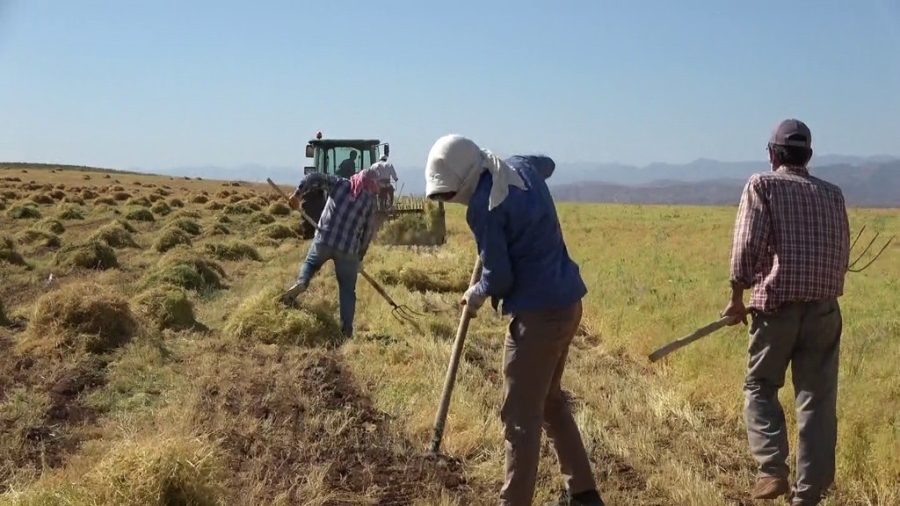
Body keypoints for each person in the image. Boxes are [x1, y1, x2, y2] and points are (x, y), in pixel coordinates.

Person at [424, 134, 604, 506]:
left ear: (464, 178)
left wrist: (475, 294)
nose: (449, 200)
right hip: (568, 303)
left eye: (447, 193)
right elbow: (548, 163)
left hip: (537, 318)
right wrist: (514, 167)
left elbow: (500, 277)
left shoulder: (484, 207)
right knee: (551, 402)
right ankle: (583, 493)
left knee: (520, 418)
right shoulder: (520, 167)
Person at [721, 119, 850, 506]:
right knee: (816, 400)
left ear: (772, 154)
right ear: (808, 155)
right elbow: (842, 252)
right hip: (825, 311)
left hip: (776, 310)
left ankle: (772, 469)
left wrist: (736, 295)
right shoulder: (833, 194)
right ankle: (808, 495)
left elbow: (747, 244)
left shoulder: (762, 185)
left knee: (760, 386)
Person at [282, 167, 380, 338]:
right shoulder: (370, 203)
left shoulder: (339, 184)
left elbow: (312, 177)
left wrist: (298, 195)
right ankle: (346, 331)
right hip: (348, 250)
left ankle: (302, 282)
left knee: (311, 264)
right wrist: (359, 257)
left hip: (324, 239)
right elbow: (368, 232)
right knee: (347, 289)